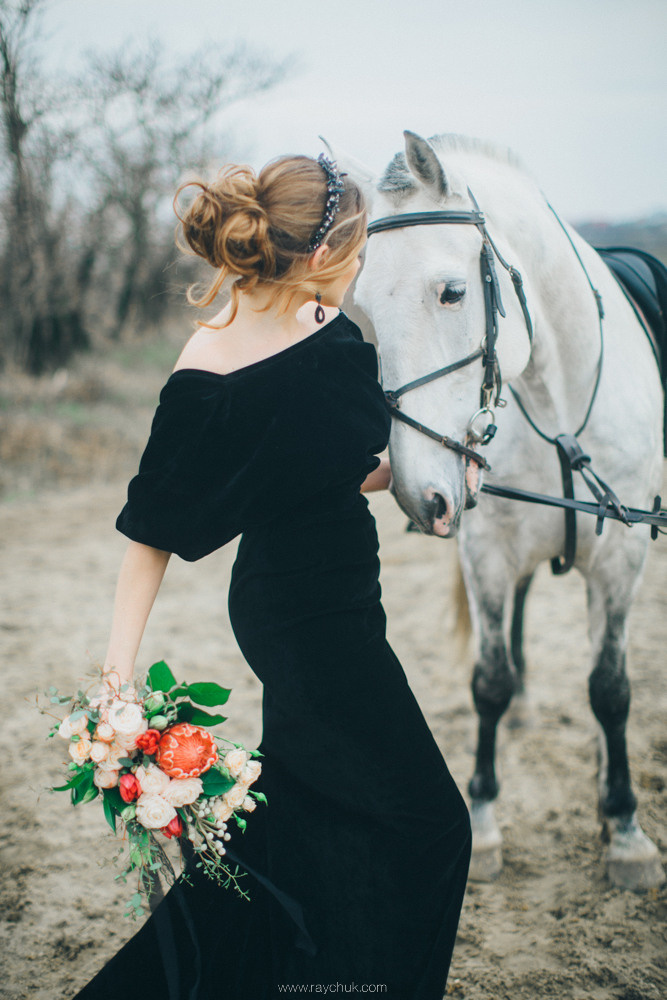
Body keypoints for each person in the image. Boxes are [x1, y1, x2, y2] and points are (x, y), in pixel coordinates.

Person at [71, 152, 471, 1000]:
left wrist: (430, 473)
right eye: (359, 248)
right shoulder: (208, 371)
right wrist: (116, 682)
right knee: (430, 826)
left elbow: (329, 465)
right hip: (297, 618)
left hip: (347, 601)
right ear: (323, 254)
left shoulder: (329, 325)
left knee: (309, 815)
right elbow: (148, 535)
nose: (362, 266)